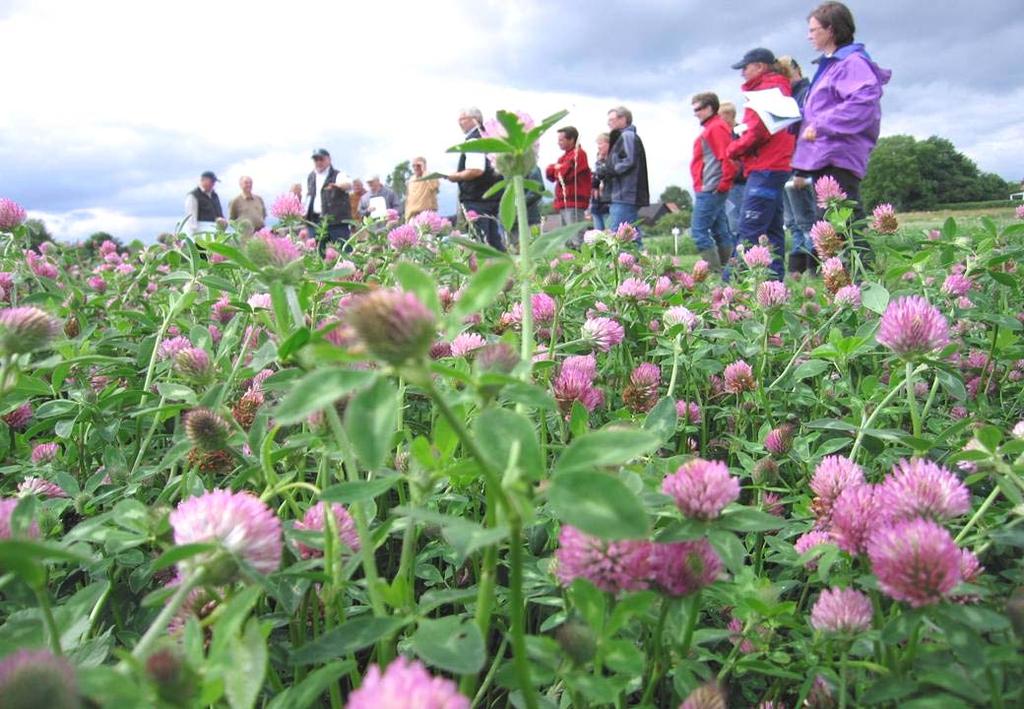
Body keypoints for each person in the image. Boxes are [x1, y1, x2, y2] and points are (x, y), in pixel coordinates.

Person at [793, 1, 891, 262]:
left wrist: (821, 124)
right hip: (825, 153)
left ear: (832, 30)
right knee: (833, 224)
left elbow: (863, 103)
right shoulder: (831, 64)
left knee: (845, 223)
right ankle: (847, 281)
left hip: (840, 152)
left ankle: (864, 281)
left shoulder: (852, 62)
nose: (809, 35)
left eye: (814, 29)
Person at [725, 48, 796, 280]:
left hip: (765, 167)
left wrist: (733, 149)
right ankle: (775, 282)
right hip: (777, 166)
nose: (743, 73)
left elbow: (758, 131)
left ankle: (731, 285)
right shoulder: (779, 87)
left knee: (749, 230)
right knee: (773, 230)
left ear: (760, 66)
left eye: (745, 67)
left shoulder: (766, 91)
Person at [777, 56, 818, 274]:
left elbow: (806, 134)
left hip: (801, 165)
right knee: (792, 222)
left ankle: (813, 269)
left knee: (806, 221)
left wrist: (802, 169)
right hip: (787, 164)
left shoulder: (807, 94)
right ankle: (798, 270)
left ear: (795, 70)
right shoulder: (787, 99)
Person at [689, 92, 737, 273]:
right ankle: (729, 273)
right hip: (711, 187)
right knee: (720, 231)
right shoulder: (714, 127)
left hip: (710, 188)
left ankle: (718, 274)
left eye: (698, 109)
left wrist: (723, 183)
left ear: (709, 108)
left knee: (699, 232)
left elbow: (727, 157)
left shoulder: (715, 128)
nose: (696, 113)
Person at [449, 107, 504, 251]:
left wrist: (455, 176)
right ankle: (507, 269)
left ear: (475, 120)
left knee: (480, 242)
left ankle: (488, 270)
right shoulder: (489, 138)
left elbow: (476, 170)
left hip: (476, 198)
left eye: (462, 119)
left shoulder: (474, 140)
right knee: (494, 241)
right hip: (492, 197)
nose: (459, 123)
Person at [597, 106, 649, 234]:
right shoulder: (624, 136)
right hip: (623, 194)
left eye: (611, 120)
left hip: (625, 193)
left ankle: (628, 254)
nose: (609, 123)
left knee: (620, 235)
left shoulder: (627, 136)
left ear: (623, 119)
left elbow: (628, 160)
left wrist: (607, 170)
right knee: (631, 234)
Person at [305, 148, 352, 250]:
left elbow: (348, 184)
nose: (318, 162)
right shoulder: (311, 177)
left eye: (321, 159)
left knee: (343, 250)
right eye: (316, 160)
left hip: (336, 222)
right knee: (317, 254)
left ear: (329, 159)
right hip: (315, 221)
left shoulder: (338, 174)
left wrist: (338, 186)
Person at [545, 126, 592, 226]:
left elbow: (564, 175)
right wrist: (557, 167)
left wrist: (556, 168)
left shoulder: (579, 154)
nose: (558, 142)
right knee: (566, 237)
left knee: (576, 236)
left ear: (571, 140)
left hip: (574, 202)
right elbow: (549, 173)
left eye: (561, 140)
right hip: (564, 203)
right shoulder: (564, 157)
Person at [718, 103, 746, 240]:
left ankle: (740, 255)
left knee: (735, 222)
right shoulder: (723, 134)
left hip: (738, 182)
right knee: (728, 222)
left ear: (729, 115)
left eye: (720, 115)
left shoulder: (740, 132)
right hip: (726, 183)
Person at [184, 171, 225, 235]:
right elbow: (191, 220)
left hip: (215, 232)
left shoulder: (215, 196)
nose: (213, 184)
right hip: (201, 232)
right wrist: (194, 237)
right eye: (211, 181)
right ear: (203, 180)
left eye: (214, 182)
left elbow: (219, 214)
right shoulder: (193, 196)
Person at [589, 132, 614, 230]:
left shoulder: (611, 163)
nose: (598, 147)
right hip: (596, 205)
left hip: (607, 205)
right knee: (598, 235)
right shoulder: (598, 166)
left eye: (600, 144)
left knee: (609, 233)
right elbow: (594, 183)